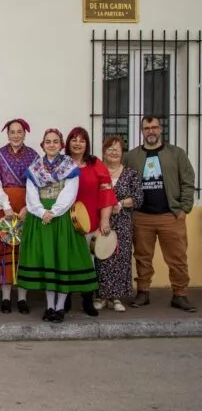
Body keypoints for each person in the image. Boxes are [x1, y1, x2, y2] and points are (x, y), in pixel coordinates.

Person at [17, 129, 97, 323]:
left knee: (62, 260)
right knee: (48, 261)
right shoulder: (35, 166)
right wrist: (41, 211)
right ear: (42, 144)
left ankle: (60, 307)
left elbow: (70, 191)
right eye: (48, 141)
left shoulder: (69, 166)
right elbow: (31, 192)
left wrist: (55, 211)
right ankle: (50, 306)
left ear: (61, 145)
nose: (51, 145)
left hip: (61, 218)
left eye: (55, 141)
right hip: (41, 217)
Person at [126, 115, 197, 312]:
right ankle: (143, 292)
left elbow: (188, 181)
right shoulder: (131, 157)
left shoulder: (176, 153)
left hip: (170, 215)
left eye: (154, 127)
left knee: (177, 258)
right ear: (142, 131)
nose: (151, 131)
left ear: (160, 130)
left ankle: (180, 294)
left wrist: (184, 208)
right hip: (141, 216)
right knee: (142, 257)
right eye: (147, 128)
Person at [0, 119, 39, 314]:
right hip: (3, 208)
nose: (15, 135)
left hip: (27, 207)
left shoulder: (33, 155)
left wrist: (30, 207)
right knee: (5, 252)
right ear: (7, 134)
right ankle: (6, 298)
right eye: (12, 132)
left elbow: (39, 184)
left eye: (19, 132)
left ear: (25, 134)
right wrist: (6, 206)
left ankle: (22, 298)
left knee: (24, 253)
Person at [66, 126, 117, 316]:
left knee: (88, 262)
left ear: (86, 144)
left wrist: (104, 220)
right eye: (74, 139)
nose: (78, 143)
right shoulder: (62, 163)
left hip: (91, 223)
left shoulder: (95, 164)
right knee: (67, 261)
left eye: (82, 140)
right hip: (66, 223)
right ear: (68, 143)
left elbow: (106, 192)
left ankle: (88, 301)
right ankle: (66, 300)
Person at [99, 136, 143, 312]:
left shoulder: (131, 174)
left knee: (120, 258)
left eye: (117, 149)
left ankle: (116, 297)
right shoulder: (100, 173)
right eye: (110, 148)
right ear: (104, 152)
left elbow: (138, 198)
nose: (114, 151)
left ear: (122, 153)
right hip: (102, 221)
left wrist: (120, 204)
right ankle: (101, 296)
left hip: (123, 222)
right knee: (101, 258)